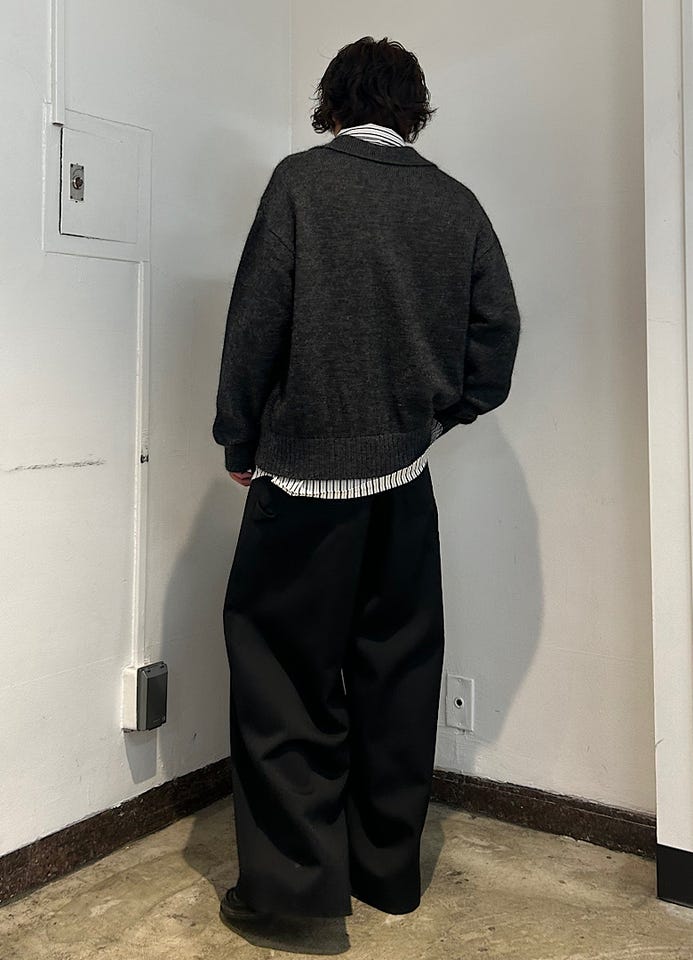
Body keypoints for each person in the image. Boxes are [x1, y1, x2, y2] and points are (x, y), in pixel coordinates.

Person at [212, 35, 521, 924]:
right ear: (413, 109)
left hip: (303, 483)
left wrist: (238, 437)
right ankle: (385, 874)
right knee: (398, 676)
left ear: (334, 101)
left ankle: (293, 897)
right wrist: (437, 418)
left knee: (284, 684)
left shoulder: (300, 184)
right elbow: (495, 337)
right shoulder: (454, 202)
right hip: (403, 483)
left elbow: (255, 323)